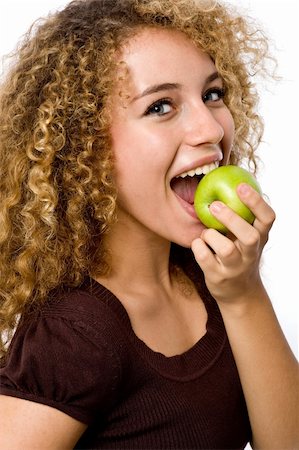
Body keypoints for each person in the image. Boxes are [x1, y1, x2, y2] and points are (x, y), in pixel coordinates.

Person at [0, 0, 298, 448]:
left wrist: (243, 292)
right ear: (86, 144)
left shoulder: (209, 272)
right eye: (161, 106)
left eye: (212, 95)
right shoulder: (73, 333)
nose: (211, 130)